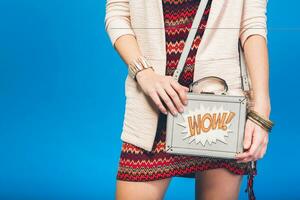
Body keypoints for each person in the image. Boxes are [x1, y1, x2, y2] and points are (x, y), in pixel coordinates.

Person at [104, 0, 271, 199]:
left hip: (219, 107)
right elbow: (117, 13)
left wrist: (261, 108)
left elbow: (252, 25)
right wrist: (144, 73)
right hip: (153, 105)